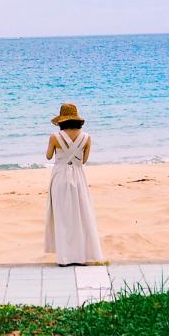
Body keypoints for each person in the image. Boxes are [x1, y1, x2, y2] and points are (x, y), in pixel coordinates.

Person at [44, 102, 104, 266]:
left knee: (62, 216)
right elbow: (83, 160)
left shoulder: (54, 137)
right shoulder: (86, 138)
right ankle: (81, 256)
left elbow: (48, 156)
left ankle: (64, 258)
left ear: (62, 120)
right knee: (81, 214)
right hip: (78, 177)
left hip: (60, 176)